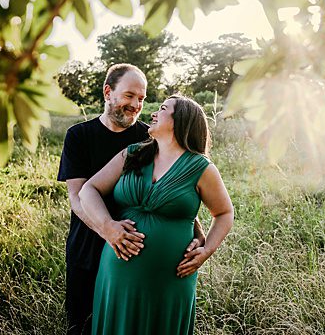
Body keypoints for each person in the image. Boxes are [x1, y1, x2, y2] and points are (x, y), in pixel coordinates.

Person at [57, 64, 205, 335]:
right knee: (83, 326)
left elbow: (172, 186)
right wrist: (109, 230)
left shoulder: (150, 137)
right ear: (107, 92)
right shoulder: (78, 136)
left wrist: (197, 232)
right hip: (88, 249)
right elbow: (77, 197)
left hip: (138, 262)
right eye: (129, 96)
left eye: (142, 98)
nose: (136, 105)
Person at [79, 95, 235, 335]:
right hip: (119, 273)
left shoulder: (201, 168)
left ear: (180, 120)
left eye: (162, 109)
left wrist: (207, 250)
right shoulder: (132, 155)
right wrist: (107, 226)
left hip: (170, 280)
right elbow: (88, 190)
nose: (153, 113)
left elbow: (224, 212)